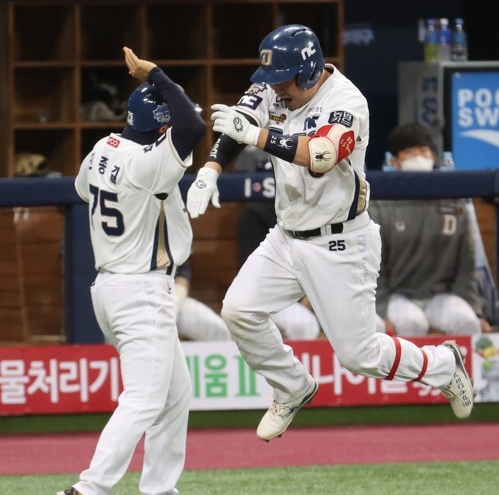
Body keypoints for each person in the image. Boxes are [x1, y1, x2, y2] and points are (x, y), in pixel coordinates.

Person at [186, 24, 475, 442]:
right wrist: (209, 171)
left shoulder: (347, 101)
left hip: (341, 241)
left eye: (282, 80)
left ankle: (442, 366)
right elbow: (240, 123)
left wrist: (259, 135)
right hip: (287, 235)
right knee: (238, 310)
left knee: (360, 355)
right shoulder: (273, 86)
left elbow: (320, 155)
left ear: (307, 72)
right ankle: (292, 385)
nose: (274, 88)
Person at [56, 47, 210, 495]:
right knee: (144, 397)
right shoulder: (150, 161)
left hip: (114, 286)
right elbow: (190, 128)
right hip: (139, 288)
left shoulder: (102, 148)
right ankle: (89, 492)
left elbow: (85, 189)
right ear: (160, 126)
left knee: (174, 394)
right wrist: (157, 74)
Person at [369, 122, 491, 337]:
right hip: (398, 296)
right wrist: (381, 310)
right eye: (409, 152)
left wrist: (475, 310)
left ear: (433, 156)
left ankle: (460, 371)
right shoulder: (381, 204)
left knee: (467, 321)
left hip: (439, 296)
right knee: (411, 323)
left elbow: (466, 263)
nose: (418, 156)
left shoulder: (455, 203)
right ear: (395, 161)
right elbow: (375, 266)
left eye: (424, 150)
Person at [237, 201, 321, 340]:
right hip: (270, 296)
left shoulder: (312, 210)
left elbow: (320, 262)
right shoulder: (256, 213)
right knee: (303, 323)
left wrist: (309, 299)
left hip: (314, 292)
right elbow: (255, 273)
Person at [175, 259, 231, 341]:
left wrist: (176, 299)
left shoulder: (175, 249)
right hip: (150, 305)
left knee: (220, 332)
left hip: (171, 297)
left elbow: (182, 274)